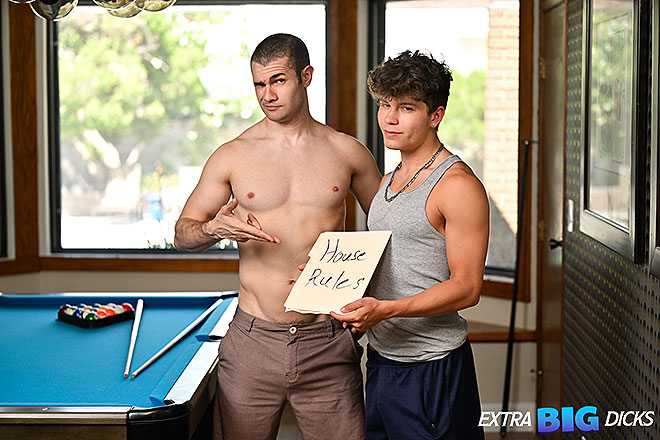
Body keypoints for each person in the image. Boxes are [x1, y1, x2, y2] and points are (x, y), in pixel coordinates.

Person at [174, 33, 381, 440]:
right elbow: (183, 233)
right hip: (253, 339)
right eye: (259, 84)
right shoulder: (233, 155)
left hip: (327, 338)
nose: (267, 95)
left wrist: (364, 288)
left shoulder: (347, 152)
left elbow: (391, 230)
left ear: (306, 76)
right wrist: (213, 228)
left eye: (278, 81)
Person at [331, 51, 489, 439]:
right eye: (385, 104)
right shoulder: (389, 180)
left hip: (432, 367)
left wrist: (385, 310)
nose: (390, 117)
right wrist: (334, 279)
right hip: (382, 361)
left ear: (435, 115)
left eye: (406, 107)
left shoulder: (457, 186)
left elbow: (467, 288)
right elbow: (395, 264)